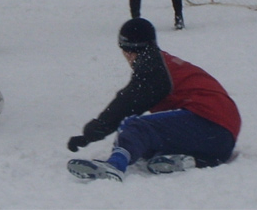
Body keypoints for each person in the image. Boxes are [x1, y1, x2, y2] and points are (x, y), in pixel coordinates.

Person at [66, 18, 241, 182]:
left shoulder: (152, 66)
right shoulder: (163, 62)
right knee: (147, 144)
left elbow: (128, 102)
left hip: (209, 122)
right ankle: (193, 161)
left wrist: (93, 131)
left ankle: (115, 166)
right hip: (221, 140)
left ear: (129, 51)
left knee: (135, 127)